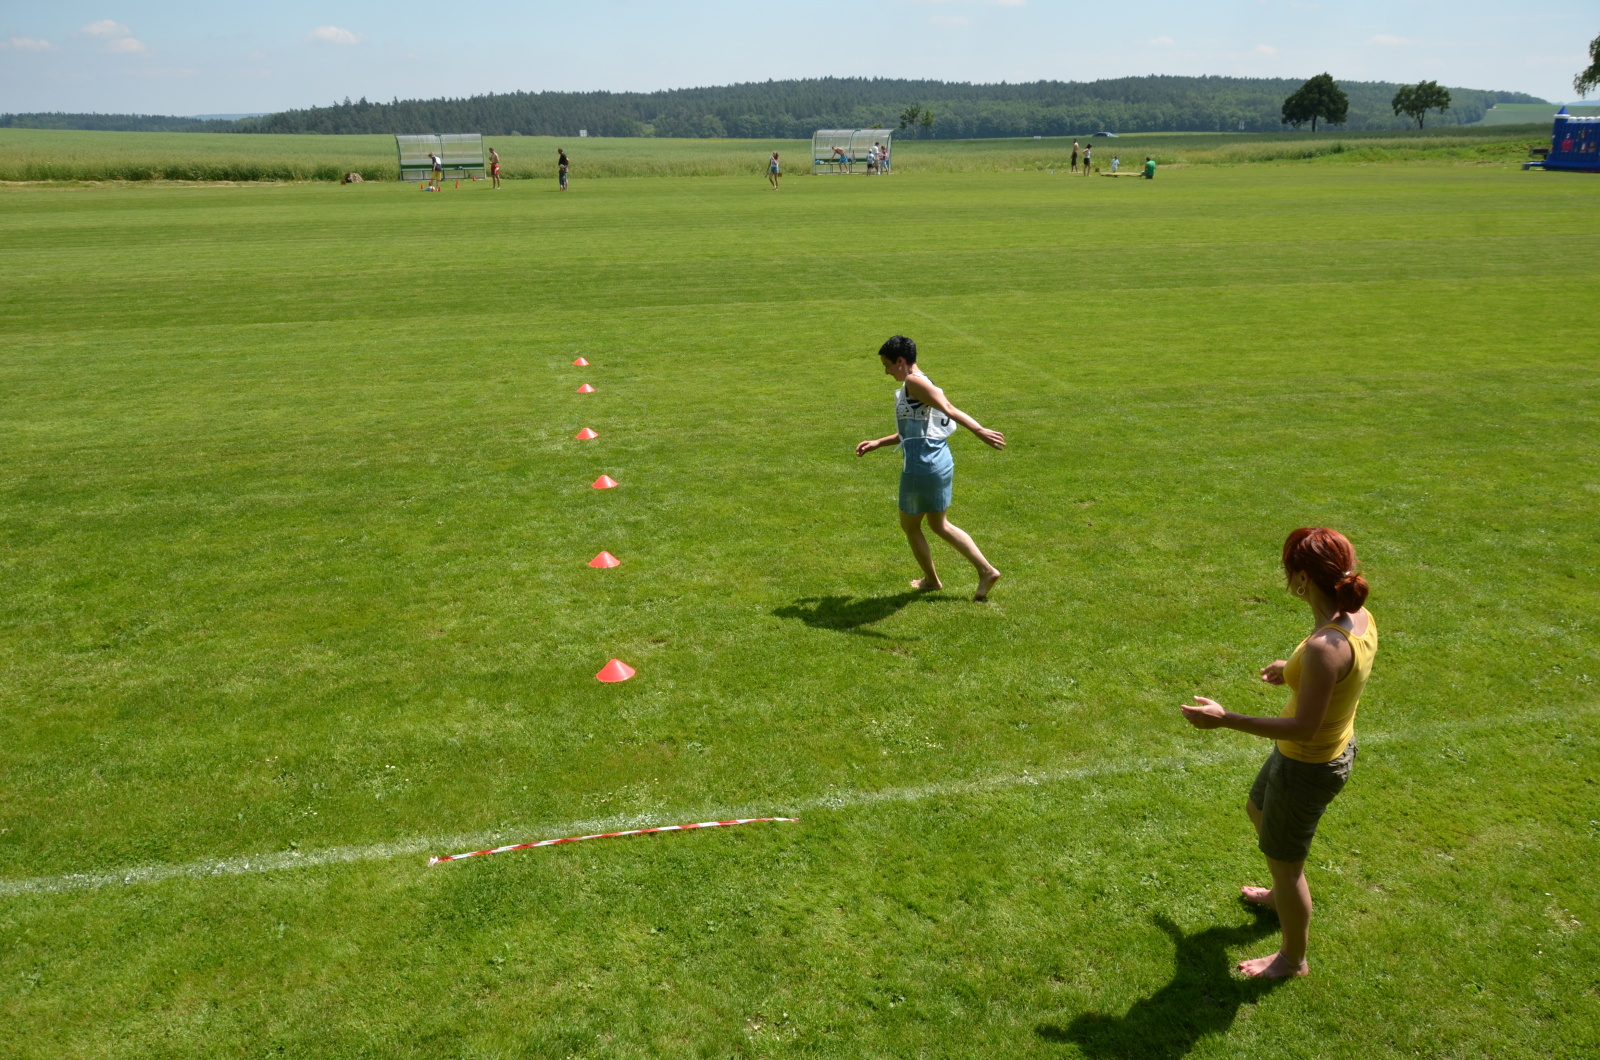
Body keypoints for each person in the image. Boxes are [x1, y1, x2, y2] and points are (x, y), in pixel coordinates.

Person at [1180, 527, 1377, 980]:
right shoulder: (1356, 616)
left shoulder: (1326, 648)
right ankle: (1280, 892)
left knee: (1288, 868)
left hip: (1307, 763)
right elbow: (1333, 672)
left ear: (1303, 579)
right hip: (1315, 752)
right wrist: (1292, 670)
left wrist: (1225, 718)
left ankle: (1292, 958)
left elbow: (1305, 724)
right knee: (1258, 808)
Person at [855, 336, 1005, 601]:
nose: (886, 371)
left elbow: (949, 408)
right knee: (939, 524)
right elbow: (916, 431)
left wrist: (979, 430)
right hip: (938, 461)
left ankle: (932, 581)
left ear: (900, 361)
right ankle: (986, 570)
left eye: (887, 365)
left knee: (910, 526)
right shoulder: (922, 382)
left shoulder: (914, 382)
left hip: (921, 466)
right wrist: (879, 442)